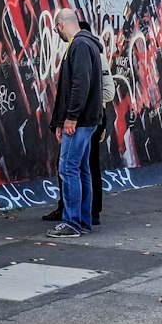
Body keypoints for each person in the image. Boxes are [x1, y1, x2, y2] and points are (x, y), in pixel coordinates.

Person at [42, 19, 113, 227]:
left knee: (69, 168)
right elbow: (70, 88)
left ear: (61, 24)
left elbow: (79, 85)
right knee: (81, 168)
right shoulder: (86, 45)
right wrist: (59, 121)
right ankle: (83, 219)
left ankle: (73, 222)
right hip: (85, 119)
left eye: (56, 29)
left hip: (80, 121)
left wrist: (70, 118)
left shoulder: (80, 45)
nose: (57, 33)